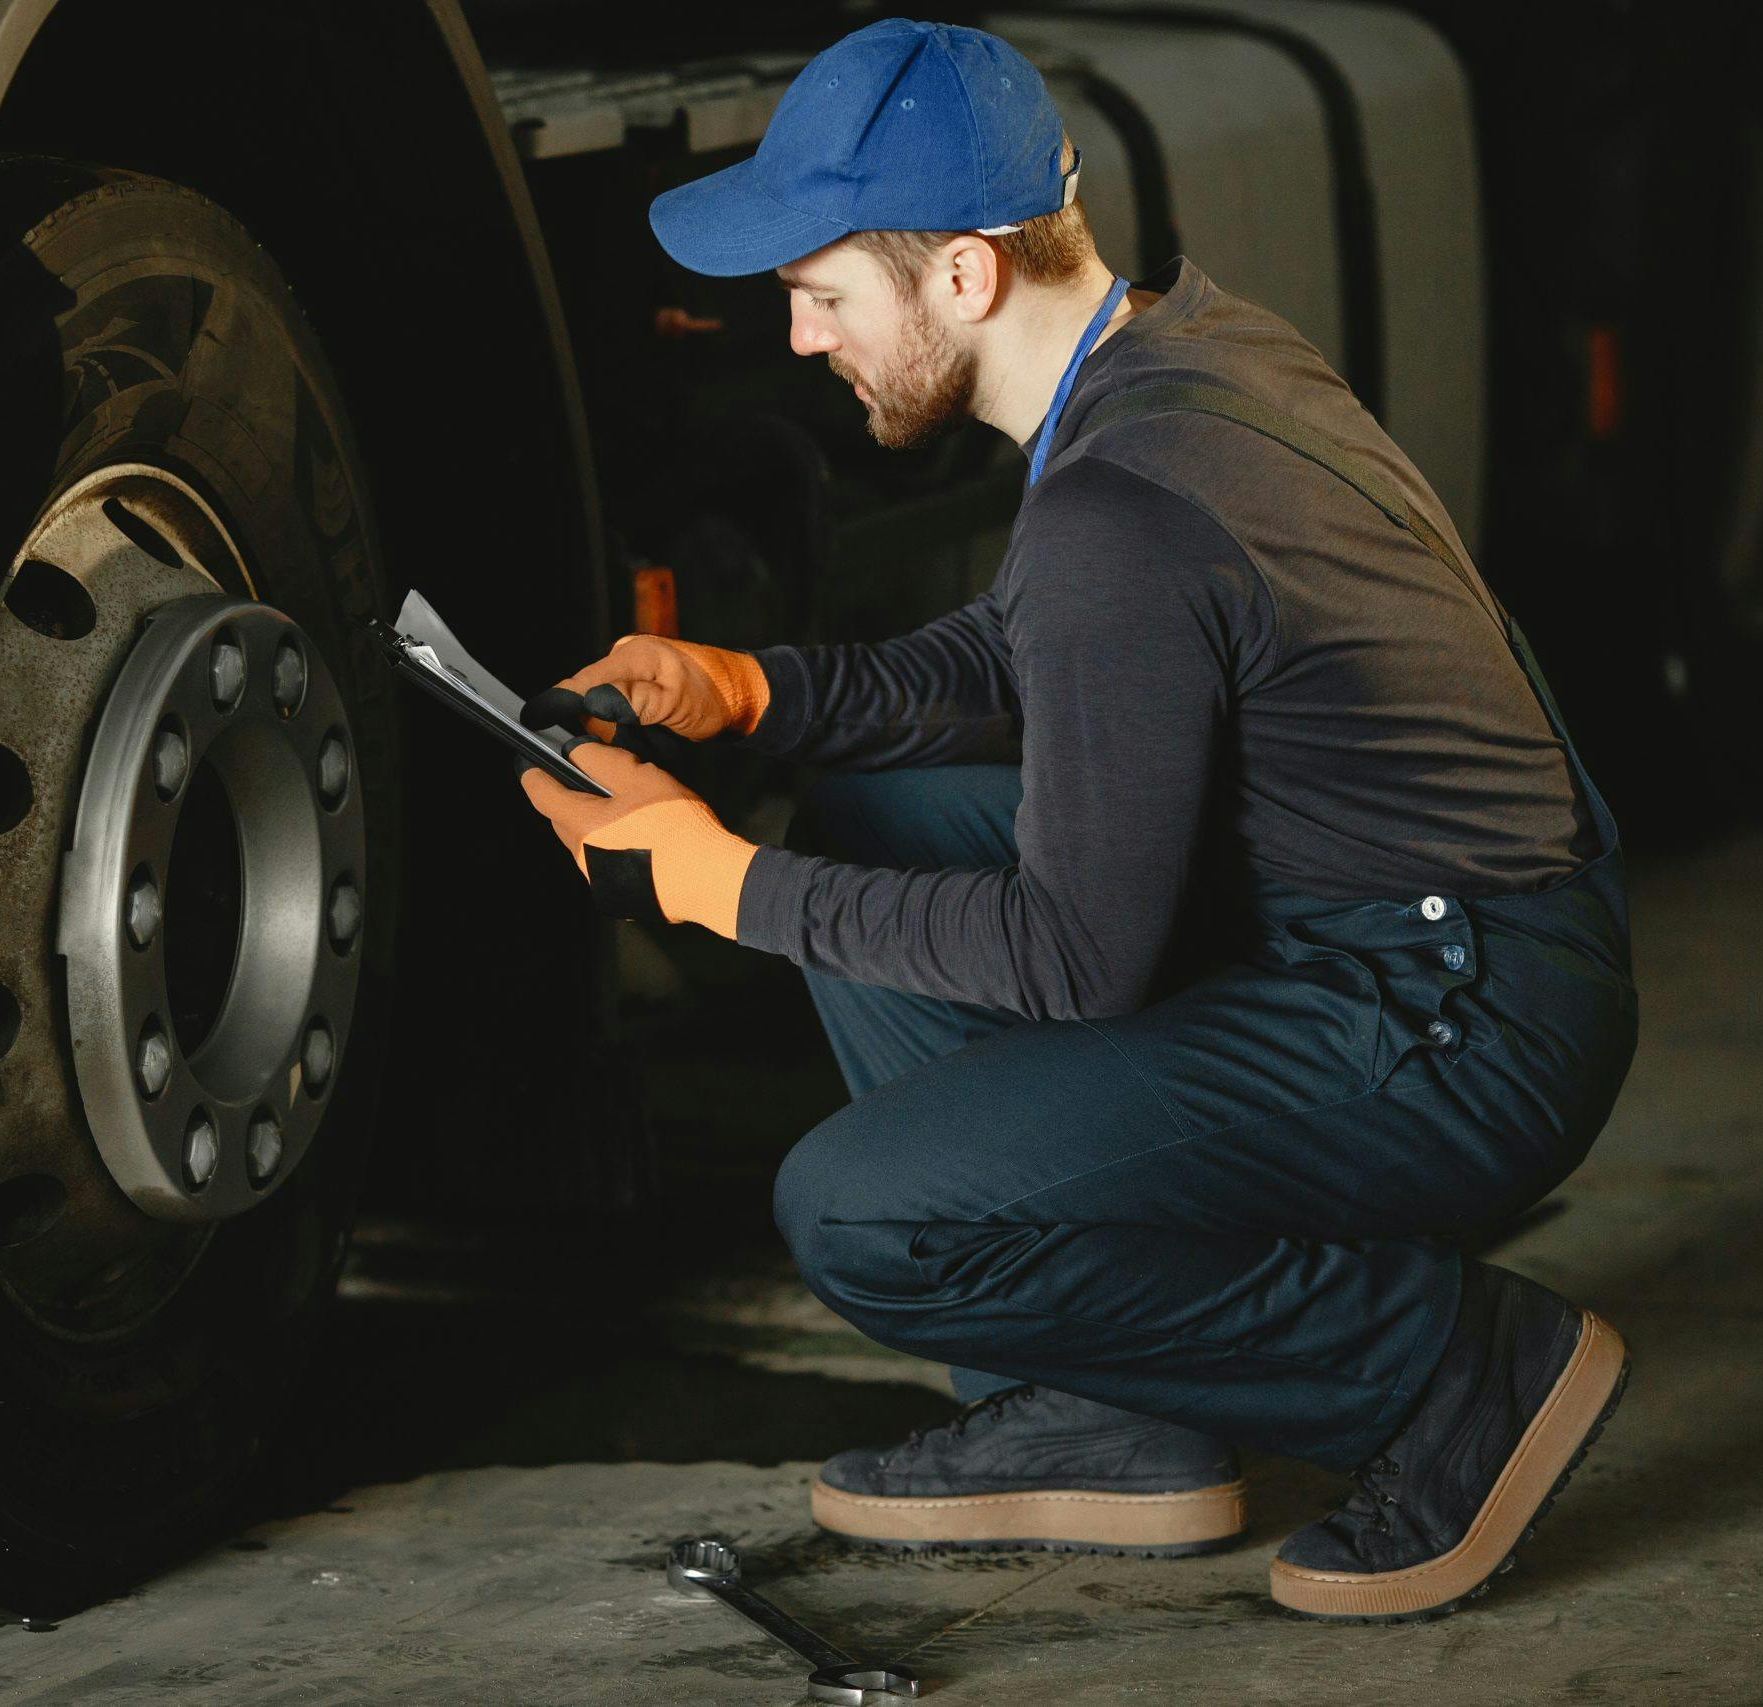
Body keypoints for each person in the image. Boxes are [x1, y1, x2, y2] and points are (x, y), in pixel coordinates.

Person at [514, 18, 1638, 1623]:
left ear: (963, 276)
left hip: (1454, 1015)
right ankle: (1116, 1406)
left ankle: (1456, 1373)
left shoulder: (1124, 504)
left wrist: (724, 886)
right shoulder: (1176, 357)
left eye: (820, 292)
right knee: (878, 807)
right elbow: (1030, 657)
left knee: (860, 1211)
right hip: (1446, 933)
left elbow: (1074, 954)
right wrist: (745, 691)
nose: (798, 339)